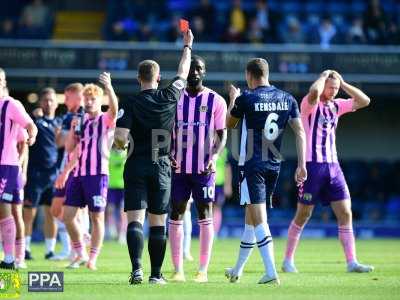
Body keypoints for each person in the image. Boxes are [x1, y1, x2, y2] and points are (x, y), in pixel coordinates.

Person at [115, 29, 194, 285]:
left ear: (139, 78)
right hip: (161, 164)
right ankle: (156, 275)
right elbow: (183, 73)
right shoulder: (170, 96)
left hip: (136, 163)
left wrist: (121, 145)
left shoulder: (130, 101)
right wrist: (187, 46)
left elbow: (120, 137)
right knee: (158, 221)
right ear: (158, 78)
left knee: (135, 218)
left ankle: (136, 270)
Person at [224, 58, 307, 284]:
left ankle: (271, 272)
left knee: (259, 220)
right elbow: (300, 132)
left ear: (249, 75)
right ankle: (237, 269)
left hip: (252, 164)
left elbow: (228, 123)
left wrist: (233, 98)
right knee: (251, 219)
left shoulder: (246, 98)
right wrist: (302, 164)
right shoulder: (287, 98)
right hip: (274, 164)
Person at [282, 70, 374, 273]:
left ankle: (351, 262)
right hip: (312, 166)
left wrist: (343, 83)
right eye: (330, 87)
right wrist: (324, 77)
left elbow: (365, 100)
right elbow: (314, 91)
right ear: (323, 84)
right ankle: (288, 260)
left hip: (333, 167)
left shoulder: (337, 105)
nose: (333, 91)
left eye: (335, 88)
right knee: (303, 214)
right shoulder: (309, 103)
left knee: (345, 212)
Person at [168, 55, 227, 283]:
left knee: (204, 214)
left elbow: (222, 135)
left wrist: (214, 156)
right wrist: (168, 154)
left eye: (199, 69)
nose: (194, 72)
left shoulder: (216, 100)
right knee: (176, 214)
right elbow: (164, 130)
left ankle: (202, 270)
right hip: (179, 168)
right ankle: (178, 270)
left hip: (204, 169)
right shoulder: (175, 99)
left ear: (204, 72)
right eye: (191, 68)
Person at [57, 72, 118, 270]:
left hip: (98, 174)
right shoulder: (81, 121)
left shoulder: (105, 119)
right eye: (87, 98)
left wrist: (108, 87)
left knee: (96, 217)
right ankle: (80, 252)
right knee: (67, 216)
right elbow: (72, 150)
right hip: (78, 174)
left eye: (93, 98)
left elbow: (114, 110)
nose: (90, 102)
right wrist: (66, 171)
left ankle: (92, 258)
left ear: (100, 100)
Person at [0, 68, 37, 269]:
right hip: (9, 166)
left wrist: (32, 134)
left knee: (10, 211)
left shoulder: (11, 105)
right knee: (11, 211)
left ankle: (12, 258)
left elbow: (30, 127)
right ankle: (13, 257)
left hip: (7, 166)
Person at [23, 87, 61, 261]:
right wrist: (32, 116)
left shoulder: (60, 123)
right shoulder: (34, 121)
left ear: (56, 102)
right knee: (29, 213)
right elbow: (24, 131)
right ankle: (25, 248)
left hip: (53, 175)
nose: (49, 103)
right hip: (35, 174)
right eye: (45, 100)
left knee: (51, 214)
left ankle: (50, 251)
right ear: (40, 102)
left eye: (51, 100)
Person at [50, 83, 84, 261]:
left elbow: (62, 142)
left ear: (78, 96)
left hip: (74, 168)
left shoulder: (79, 116)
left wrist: (60, 133)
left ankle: (74, 248)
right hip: (67, 166)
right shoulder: (69, 116)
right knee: (59, 210)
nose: (66, 100)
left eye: (68, 97)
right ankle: (74, 245)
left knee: (66, 210)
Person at [106, 146, 127, 244]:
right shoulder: (109, 154)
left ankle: (122, 234)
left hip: (123, 187)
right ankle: (112, 231)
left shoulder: (127, 154)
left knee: (123, 212)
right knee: (110, 210)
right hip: (111, 186)